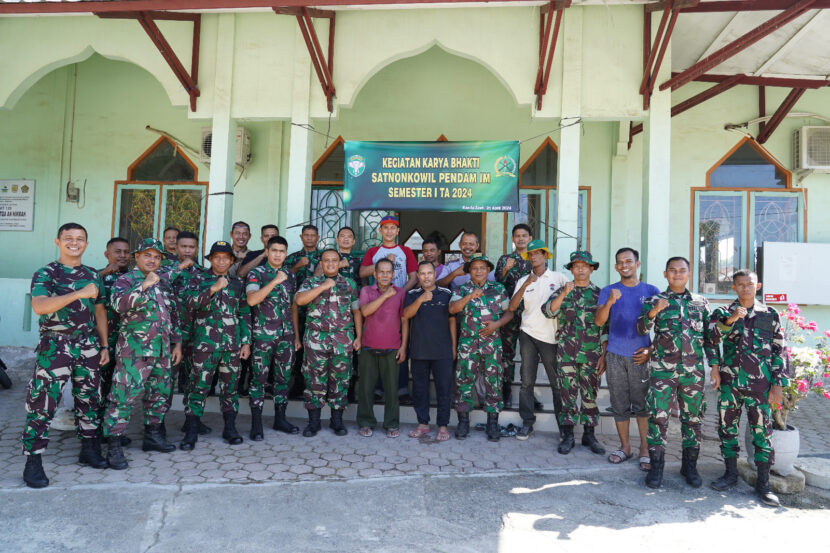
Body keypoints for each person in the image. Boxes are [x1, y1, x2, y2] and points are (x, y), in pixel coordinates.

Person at [22, 223, 110, 488]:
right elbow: (39, 306)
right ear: (57, 241)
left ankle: (89, 448)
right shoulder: (47, 273)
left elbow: (100, 311)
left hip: (88, 345)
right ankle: (33, 460)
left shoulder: (93, 274)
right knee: (43, 402)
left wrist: (104, 345)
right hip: (56, 345)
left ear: (86, 243)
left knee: (90, 398)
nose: (75, 242)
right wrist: (79, 293)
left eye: (80, 238)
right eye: (69, 238)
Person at [636, 256, 718, 489]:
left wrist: (714, 366)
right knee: (658, 417)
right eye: (672, 270)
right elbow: (641, 328)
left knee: (692, 419)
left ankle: (689, 467)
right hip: (663, 371)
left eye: (682, 270)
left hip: (693, 372)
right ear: (665, 274)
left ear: (689, 274)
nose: (677, 274)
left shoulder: (700, 303)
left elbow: (709, 339)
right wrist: (653, 312)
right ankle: (656, 468)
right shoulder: (655, 299)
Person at [102, 238, 183, 470]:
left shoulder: (162, 283)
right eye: (147, 255)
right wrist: (144, 285)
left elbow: (172, 316)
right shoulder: (126, 280)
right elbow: (118, 305)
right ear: (137, 257)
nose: (152, 260)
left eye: (157, 257)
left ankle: (152, 437)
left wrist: (176, 344)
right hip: (134, 352)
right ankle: (114, 446)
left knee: (158, 395)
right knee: (122, 398)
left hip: (162, 350)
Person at [708, 269, 786, 507]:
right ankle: (730, 474)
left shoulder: (770, 314)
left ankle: (763, 485)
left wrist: (778, 384)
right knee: (727, 429)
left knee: (762, 433)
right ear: (734, 287)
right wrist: (730, 320)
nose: (745, 288)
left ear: (757, 286)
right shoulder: (722, 312)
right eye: (740, 284)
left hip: (759, 385)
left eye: (749, 284)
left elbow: (779, 349)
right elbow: (711, 340)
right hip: (730, 382)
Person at [180, 241, 252, 450]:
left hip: (231, 346)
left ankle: (230, 429)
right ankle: (191, 431)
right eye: (217, 257)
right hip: (203, 345)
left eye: (225, 258)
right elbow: (189, 304)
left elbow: (243, 314)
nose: (221, 261)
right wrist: (212, 289)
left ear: (231, 261)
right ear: (210, 259)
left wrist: (246, 342)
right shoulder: (197, 280)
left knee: (230, 388)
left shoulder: (238, 283)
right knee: (197, 388)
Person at [595, 248, 659, 470]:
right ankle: (625, 447)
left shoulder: (651, 291)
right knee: (619, 404)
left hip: (640, 355)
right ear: (615, 267)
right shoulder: (608, 291)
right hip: (615, 355)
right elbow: (598, 321)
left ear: (637, 264)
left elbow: (661, 327)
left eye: (629, 261)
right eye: (620, 262)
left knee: (642, 405)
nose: (624, 265)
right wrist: (610, 302)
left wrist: (651, 350)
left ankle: (644, 448)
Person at [542, 251, 607, 455]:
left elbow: (605, 327)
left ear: (591, 269)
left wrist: (604, 355)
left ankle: (589, 435)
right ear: (571, 270)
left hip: (591, 354)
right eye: (576, 266)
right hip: (567, 353)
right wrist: (564, 293)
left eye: (584, 265)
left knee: (590, 395)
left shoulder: (600, 294)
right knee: (567, 395)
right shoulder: (563, 291)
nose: (580, 269)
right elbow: (548, 311)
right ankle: (568, 435)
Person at [295, 249, 362, 437]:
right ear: (321, 263)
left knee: (340, 381)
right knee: (314, 380)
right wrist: (323, 286)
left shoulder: (349, 284)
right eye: (326, 261)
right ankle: (314, 422)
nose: (331, 264)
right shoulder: (310, 282)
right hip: (316, 341)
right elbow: (300, 300)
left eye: (334, 260)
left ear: (340, 263)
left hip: (342, 340)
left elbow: (356, 311)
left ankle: (337, 421)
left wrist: (359, 337)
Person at [507, 239, 568, 441]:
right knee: (526, 382)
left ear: (545, 255)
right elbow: (512, 307)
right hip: (528, 334)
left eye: (537, 253)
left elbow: (568, 305)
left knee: (556, 383)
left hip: (551, 337)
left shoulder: (559, 278)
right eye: (530, 254)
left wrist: (564, 330)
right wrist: (526, 284)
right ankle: (527, 423)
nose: (533, 257)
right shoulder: (524, 279)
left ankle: (563, 427)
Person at [449, 254, 513, 442]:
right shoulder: (462, 289)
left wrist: (496, 324)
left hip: (492, 344)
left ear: (488, 271)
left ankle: (492, 423)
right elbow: (452, 309)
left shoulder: (498, 289)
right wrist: (469, 296)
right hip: (468, 344)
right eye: (475, 268)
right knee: (464, 382)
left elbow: (509, 312)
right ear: (469, 271)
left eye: (482, 268)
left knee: (493, 383)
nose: (478, 271)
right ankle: (463, 422)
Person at [246, 235, 300, 439]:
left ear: (286, 254)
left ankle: (280, 419)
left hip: (286, 336)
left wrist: (296, 335)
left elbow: (293, 306)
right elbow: (252, 300)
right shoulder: (256, 273)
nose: (278, 254)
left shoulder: (290, 275)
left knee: (283, 379)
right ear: (267, 252)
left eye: (282, 251)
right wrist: (274, 282)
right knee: (258, 380)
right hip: (263, 337)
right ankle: (256, 424)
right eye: (274, 250)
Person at [403, 260, 456, 442]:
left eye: (429, 273)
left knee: (443, 389)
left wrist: (454, 347)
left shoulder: (447, 294)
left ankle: (442, 426)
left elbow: (452, 321)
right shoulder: (412, 294)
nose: (426, 277)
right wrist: (420, 300)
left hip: (442, 351)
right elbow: (405, 315)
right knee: (419, 389)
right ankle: (423, 424)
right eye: (422, 274)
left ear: (435, 275)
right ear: (418, 276)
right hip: (419, 350)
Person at [167, 231, 212, 435]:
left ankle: (192, 420)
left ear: (197, 249)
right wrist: (177, 269)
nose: (187, 250)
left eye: (191, 247)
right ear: (176, 247)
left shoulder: (204, 273)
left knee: (196, 380)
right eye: (183, 246)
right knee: (165, 382)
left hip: (197, 335)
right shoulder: (164, 271)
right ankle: (156, 425)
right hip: (171, 336)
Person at [357, 258, 407, 438]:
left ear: (394, 275)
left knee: (392, 390)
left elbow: (404, 319)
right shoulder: (367, 290)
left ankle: (391, 424)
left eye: (388, 272)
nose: (385, 275)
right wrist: (385, 296)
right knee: (366, 388)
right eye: (381, 272)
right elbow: (365, 311)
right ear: (375, 274)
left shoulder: (401, 293)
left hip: (392, 347)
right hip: (368, 346)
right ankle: (365, 421)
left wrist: (403, 346)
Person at [495, 223, 533, 407]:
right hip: (509, 312)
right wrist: (506, 269)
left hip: (529, 314)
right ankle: (506, 390)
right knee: (507, 354)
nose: (521, 238)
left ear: (530, 239)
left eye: (524, 235)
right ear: (512, 239)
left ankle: (529, 394)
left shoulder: (536, 258)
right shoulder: (504, 259)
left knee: (529, 354)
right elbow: (497, 283)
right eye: (517, 235)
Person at [98, 237, 131, 437]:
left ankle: (114, 431)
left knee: (120, 390)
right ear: (107, 254)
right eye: (118, 251)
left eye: (126, 252)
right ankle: (95, 431)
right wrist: (102, 274)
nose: (122, 256)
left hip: (127, 344)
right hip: (103, 343)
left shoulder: (135, 278)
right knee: (100, 386)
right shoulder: (97, 277)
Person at [285, 224, 323, 399]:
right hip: (296, 311)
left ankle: (318, 387)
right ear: (301, 237)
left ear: (317, 237)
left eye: (312, 235)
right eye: (306, 235)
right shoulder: (292, 258)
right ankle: (298, 384)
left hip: (320, 311)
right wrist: (297, 266)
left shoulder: (325, 257)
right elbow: (283, 280)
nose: (309, 238)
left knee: (317, 350)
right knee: (297, 348)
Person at [359, 215, 417, 291]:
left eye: (393, 228)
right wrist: (384, 261)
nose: (389, 231)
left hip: (400, 297)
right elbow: (362, 273)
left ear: (397, 231)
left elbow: (414, 278)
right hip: (378, 297)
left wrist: (401, 293)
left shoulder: (406, 251)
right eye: (386, 227)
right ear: (380, 230)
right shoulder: (372, 251)